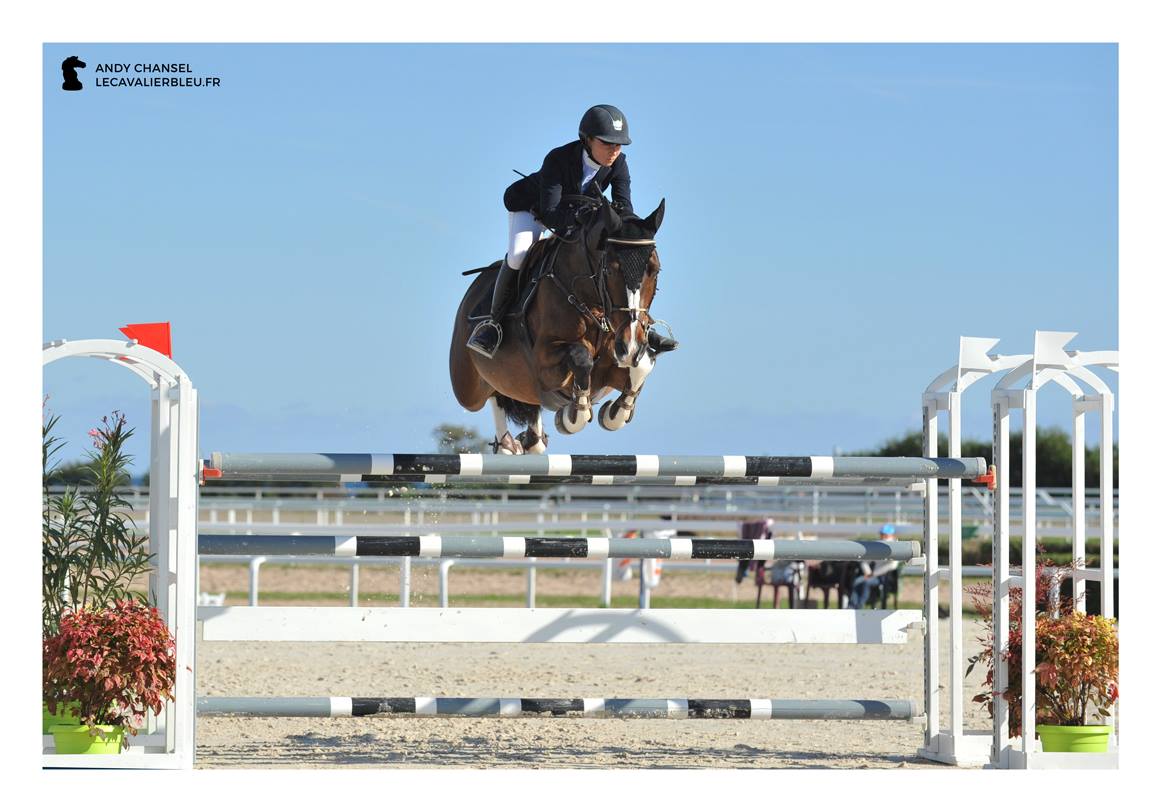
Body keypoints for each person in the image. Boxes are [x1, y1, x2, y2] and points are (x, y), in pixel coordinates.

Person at [466, 104, 678, 359]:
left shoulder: (619, 163)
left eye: (619, 145)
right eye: (607, 143)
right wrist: (587, 219)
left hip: (576, 216)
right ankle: (493, 324)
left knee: (611, 260)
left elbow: (624, 207)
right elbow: (551, 212)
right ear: (587, 140)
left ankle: (638, 326)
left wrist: (632, 234)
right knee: (519, 255)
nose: (614, 150)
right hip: (532, 209)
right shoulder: (558, 159)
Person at [848, 524, 902, 609]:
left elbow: (892, 566)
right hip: (875, 575)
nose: (883, 536)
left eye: (884, 535)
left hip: (885, 578)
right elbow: (865, 561)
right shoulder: (879, 544)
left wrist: (873, 574)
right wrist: (869, 573)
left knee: (863, 582)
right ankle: (852, 606)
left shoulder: (895, 546)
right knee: (858, 581)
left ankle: (858, 606)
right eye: (882, 534)